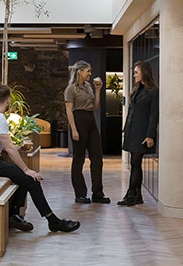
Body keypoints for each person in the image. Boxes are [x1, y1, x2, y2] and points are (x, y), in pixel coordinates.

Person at [0, 83, 80, 234]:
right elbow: (7, 148)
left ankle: (15, 214)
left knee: (22, 178)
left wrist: (18, 149)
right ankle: (53, 221)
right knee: (31, 179)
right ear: (8, 100)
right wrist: (27, 169)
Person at [64, 60, 110, 204]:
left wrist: (97, 91)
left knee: (97, 158)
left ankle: (97, 193)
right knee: (79, 159)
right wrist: (74, 129)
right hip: (79, 120)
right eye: (88, 71)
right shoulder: (71, 89)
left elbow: (95, 106)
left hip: (91, 120)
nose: (90, 74)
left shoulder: (89, 87)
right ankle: (80, 194)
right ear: (80, 72)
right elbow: (69, 111)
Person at [118, 61, 159, 206]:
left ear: (144, 73)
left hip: (142, 133)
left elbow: (154, 115)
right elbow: (131, 112)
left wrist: (150, 136)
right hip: (132, 131)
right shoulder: (137, 89)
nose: (134, 75)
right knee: (135, 164)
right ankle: (137, 196)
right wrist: (125, 129)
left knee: (135, 162)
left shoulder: (154, 91)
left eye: (136, 72)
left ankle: (131, 194)